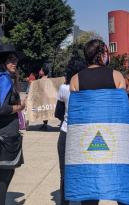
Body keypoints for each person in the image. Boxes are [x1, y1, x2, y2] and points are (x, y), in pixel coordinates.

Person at [70, 39, 129, 205]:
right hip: (113, 135)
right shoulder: (116, 76)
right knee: (117, 174)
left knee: (89, 179)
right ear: (102, 55)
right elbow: (122, 112)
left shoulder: (76, 79)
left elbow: (77, 115)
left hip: (86, 137)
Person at [0, 44, 25, 205]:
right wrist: (20, 107)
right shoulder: (2, 80)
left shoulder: (5, 78)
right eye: (10, 60)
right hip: (5, 136)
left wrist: (16, 78)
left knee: (7, 172)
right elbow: (1, 109)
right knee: (4, 174)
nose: (14, 63)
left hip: (8, 134)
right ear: (3, 62)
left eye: (15, 60)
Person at [56, 57, 86, 205]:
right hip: (84, 134)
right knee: (84, 172)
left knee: (65, 174)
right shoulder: (88, 88)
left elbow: (58, 113)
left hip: (66, 132)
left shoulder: (64, 88)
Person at [39, 63, 51, 130]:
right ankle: (44, 124)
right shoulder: (45, 79)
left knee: (44, 112)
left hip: (45, 98)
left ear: (43, 72)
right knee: (44, 112)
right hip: (44, 98)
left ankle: (45, 125)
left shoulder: (44, 79)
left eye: (41, 70)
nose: (39, 71)